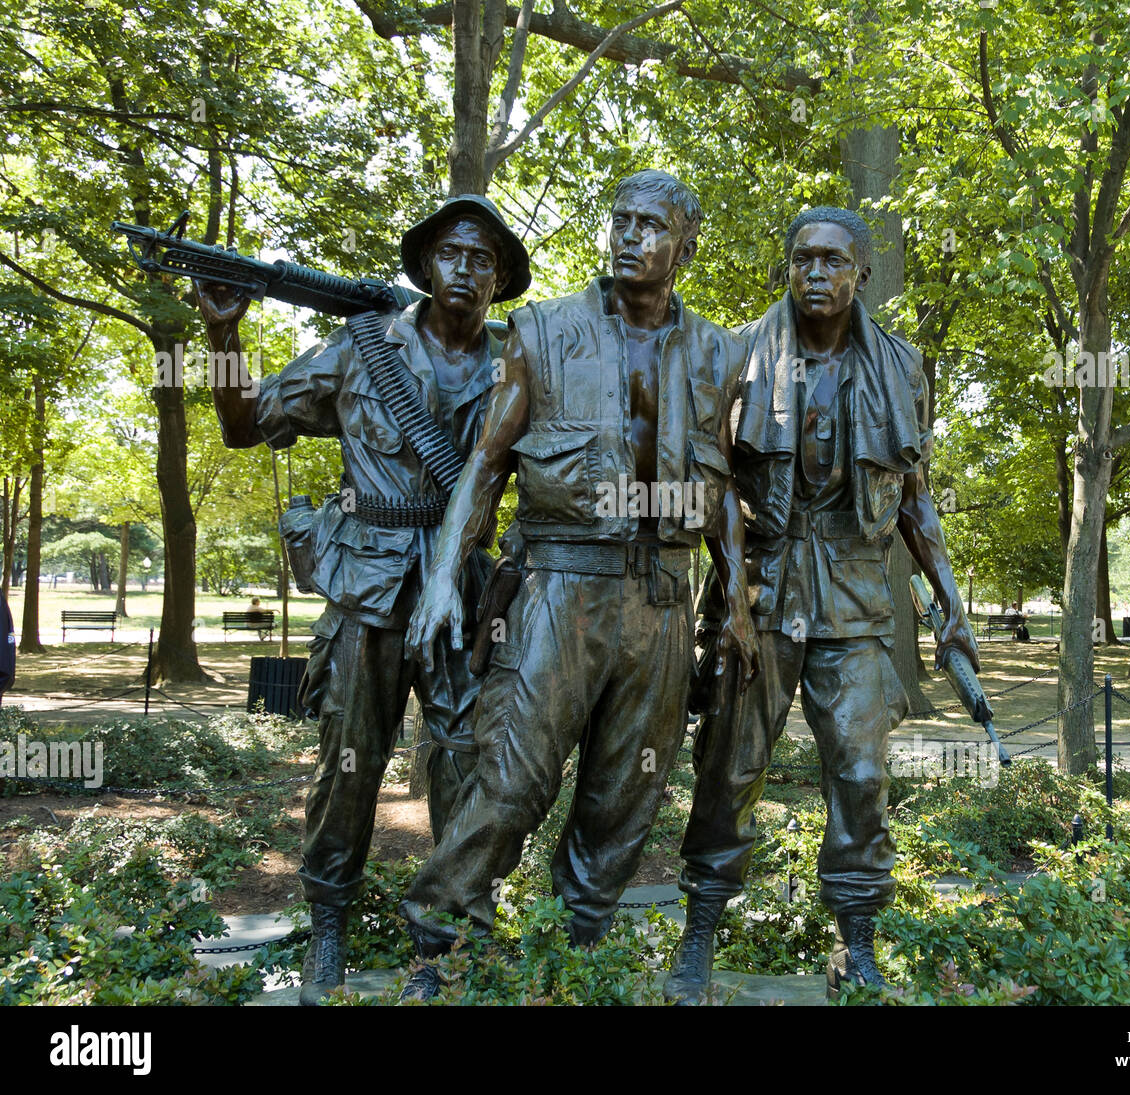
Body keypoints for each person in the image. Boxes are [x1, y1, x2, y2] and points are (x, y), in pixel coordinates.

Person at [398, 169, 757, 1001]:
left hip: (662, 596)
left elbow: (723, 490)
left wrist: (733, 596)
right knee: (513, 779)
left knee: (625, 794)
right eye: (621, 221)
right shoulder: (544, 330)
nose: (631, 237)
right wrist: (447, 575)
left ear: (685, 246)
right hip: (561, 587)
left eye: (651, 226)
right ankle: (438, 945)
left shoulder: (717, 350)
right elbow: (487, 462)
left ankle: (575, 949)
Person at [194, 195, 532, 1005]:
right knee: (348, 766)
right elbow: (244, 424)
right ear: (424, 267)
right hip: (366, 587)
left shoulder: (518, 365)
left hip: (461, 594)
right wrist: (222, 335)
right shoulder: (360, 349)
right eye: (452, 253)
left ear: (499, 282)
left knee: (466, 767)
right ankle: (330, 927)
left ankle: (449, 939)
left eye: (483, 259)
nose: (466, 269)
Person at [664, 206, 980, 1003]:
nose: (815, 273)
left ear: (860, 273)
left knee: (863, 771)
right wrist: (729, 589)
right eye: (802, 258)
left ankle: (859, 938)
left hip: (855, 593)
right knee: (730, 764)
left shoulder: (903, 367)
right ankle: (699, 928)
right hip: (761, 588)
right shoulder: (737, 353)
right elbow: (711, 487)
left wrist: (951, 603)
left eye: (833, 261)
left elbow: (915, 496)